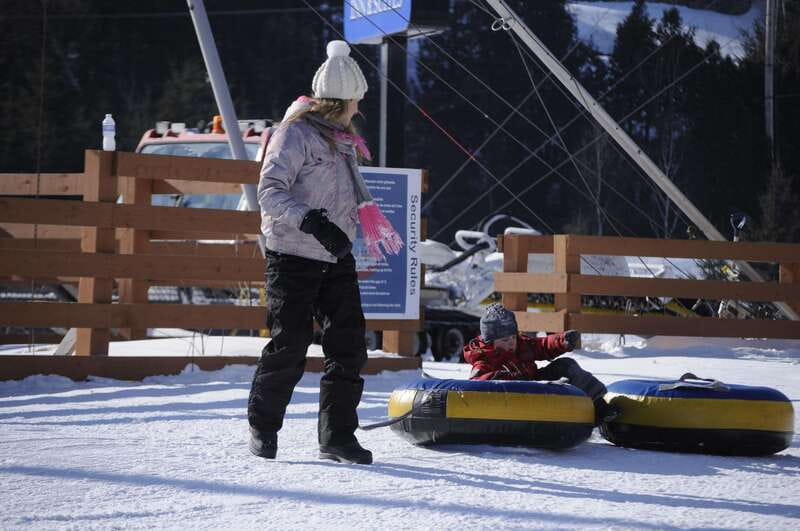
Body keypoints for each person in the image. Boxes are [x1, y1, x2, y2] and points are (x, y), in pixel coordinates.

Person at [247, 41, 402, 465]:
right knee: (291, 342)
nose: (358, 110)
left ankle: (337, 436)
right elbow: (269, 192)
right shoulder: (293, 134)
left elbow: (341, 195)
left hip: (335, 255)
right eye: (356, 102)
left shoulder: (343, 141)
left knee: (349, 346)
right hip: (293, 252)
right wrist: (312, 221)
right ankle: (263, 425)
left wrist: (352, 226)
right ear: (342, 100)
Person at [463, 303, 618, 425]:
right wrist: (495, 378)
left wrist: (562, 341)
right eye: (504, 340)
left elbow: (541, 345)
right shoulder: (484, 358)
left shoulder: (522, 344)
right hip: (517, 402)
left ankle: (599, 405)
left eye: (513, 337)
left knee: (566, 366)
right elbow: (475, 386)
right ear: (490, 342)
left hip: (535, 385)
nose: (511, 343)